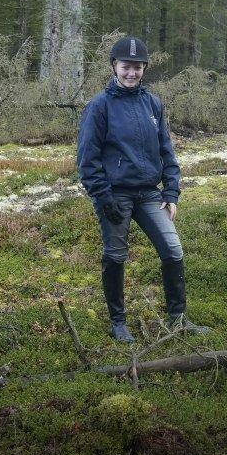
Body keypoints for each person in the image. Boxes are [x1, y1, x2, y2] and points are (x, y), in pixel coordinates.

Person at [77, 36, 210, 343]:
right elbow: (87, 158)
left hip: (150, 193)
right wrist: (103, 197)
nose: (132, 73)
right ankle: (118, 322)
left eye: (137, 67)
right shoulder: (99, 107)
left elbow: (167, 151)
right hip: (115, 195)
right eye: (126, 66)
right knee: (115, 256)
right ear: (114, 66)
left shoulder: (153, 104)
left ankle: (178, 320)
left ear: (144, 69)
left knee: (173, 252)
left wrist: (171, 191)